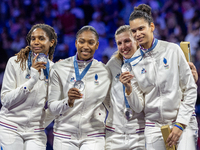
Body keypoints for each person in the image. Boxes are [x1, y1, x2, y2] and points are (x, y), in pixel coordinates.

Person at [125, 4, 197, 150]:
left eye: (141, 28)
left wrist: (180, 123)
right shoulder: (131, 64)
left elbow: (190, 89)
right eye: (134, 31)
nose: (137, 34)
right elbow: (138, 107)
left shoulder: (173, 50)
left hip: (183, 121)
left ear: (152, 26)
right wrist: (128, 89)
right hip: (153, 127)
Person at [48, 26, 110, 150]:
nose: (85, 46)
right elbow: (52, 107)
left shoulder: (105, 71)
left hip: (94, 136)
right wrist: (68, 101)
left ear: (97, 45)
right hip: (64, 135)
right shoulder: (59, 68)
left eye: (91, 42)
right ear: (76, 43)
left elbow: (112, 104)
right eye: (82, 41)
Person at [0, 24, 57, 150]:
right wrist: (32, 81)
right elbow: (5, 100)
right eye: (33, 39)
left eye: (41, 38)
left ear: (51, 42)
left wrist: (40, 124)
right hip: (10, 127)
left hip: (35, 132)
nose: (36, 42)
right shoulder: (14, 62)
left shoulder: (54, 70)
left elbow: (54, 107)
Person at [105, 25, 145, 150]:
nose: (123, 47)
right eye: (119, 43)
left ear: (136, 41)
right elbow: (103, 93)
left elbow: (139, 107)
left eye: (127, 41)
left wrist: (128, 89)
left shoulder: (146, 64)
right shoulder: (113, 64)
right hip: (114, 134)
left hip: (139, 134)